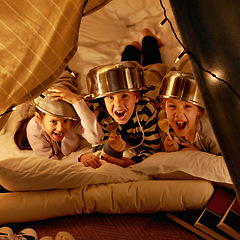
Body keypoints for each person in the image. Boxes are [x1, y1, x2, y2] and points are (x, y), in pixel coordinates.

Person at [14, 72, 104, 169]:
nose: (60, 128)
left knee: (64, 81)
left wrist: (76, 100)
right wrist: (78, 158)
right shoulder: (33, 128)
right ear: (39, 118)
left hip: (65, 85)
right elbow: (51, 162)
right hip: (35, 108)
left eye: (65, 121)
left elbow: (96, 138)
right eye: (53, 122)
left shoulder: (73, 119)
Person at [87, 60, 162, 168]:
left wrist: (133, 162)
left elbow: (153, 148)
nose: (118, 104)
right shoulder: (101, 115)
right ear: (103, 101)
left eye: (124, 96)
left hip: (152, 82)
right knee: (125, 64)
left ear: (136, 97)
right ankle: (132, 47)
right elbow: (99, 153)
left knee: (152, 65)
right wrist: (111, 149)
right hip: (134, 79)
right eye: (111, 97)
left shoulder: (146, 110)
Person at [157, 71, 221, 155]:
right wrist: (168, 150)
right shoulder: (164, 124)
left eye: (187, 106)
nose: (179, 114)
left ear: (199, 110)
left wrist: (198, 154)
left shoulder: (211, 134)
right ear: (164, 107)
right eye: (172, 106)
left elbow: (224, 163)